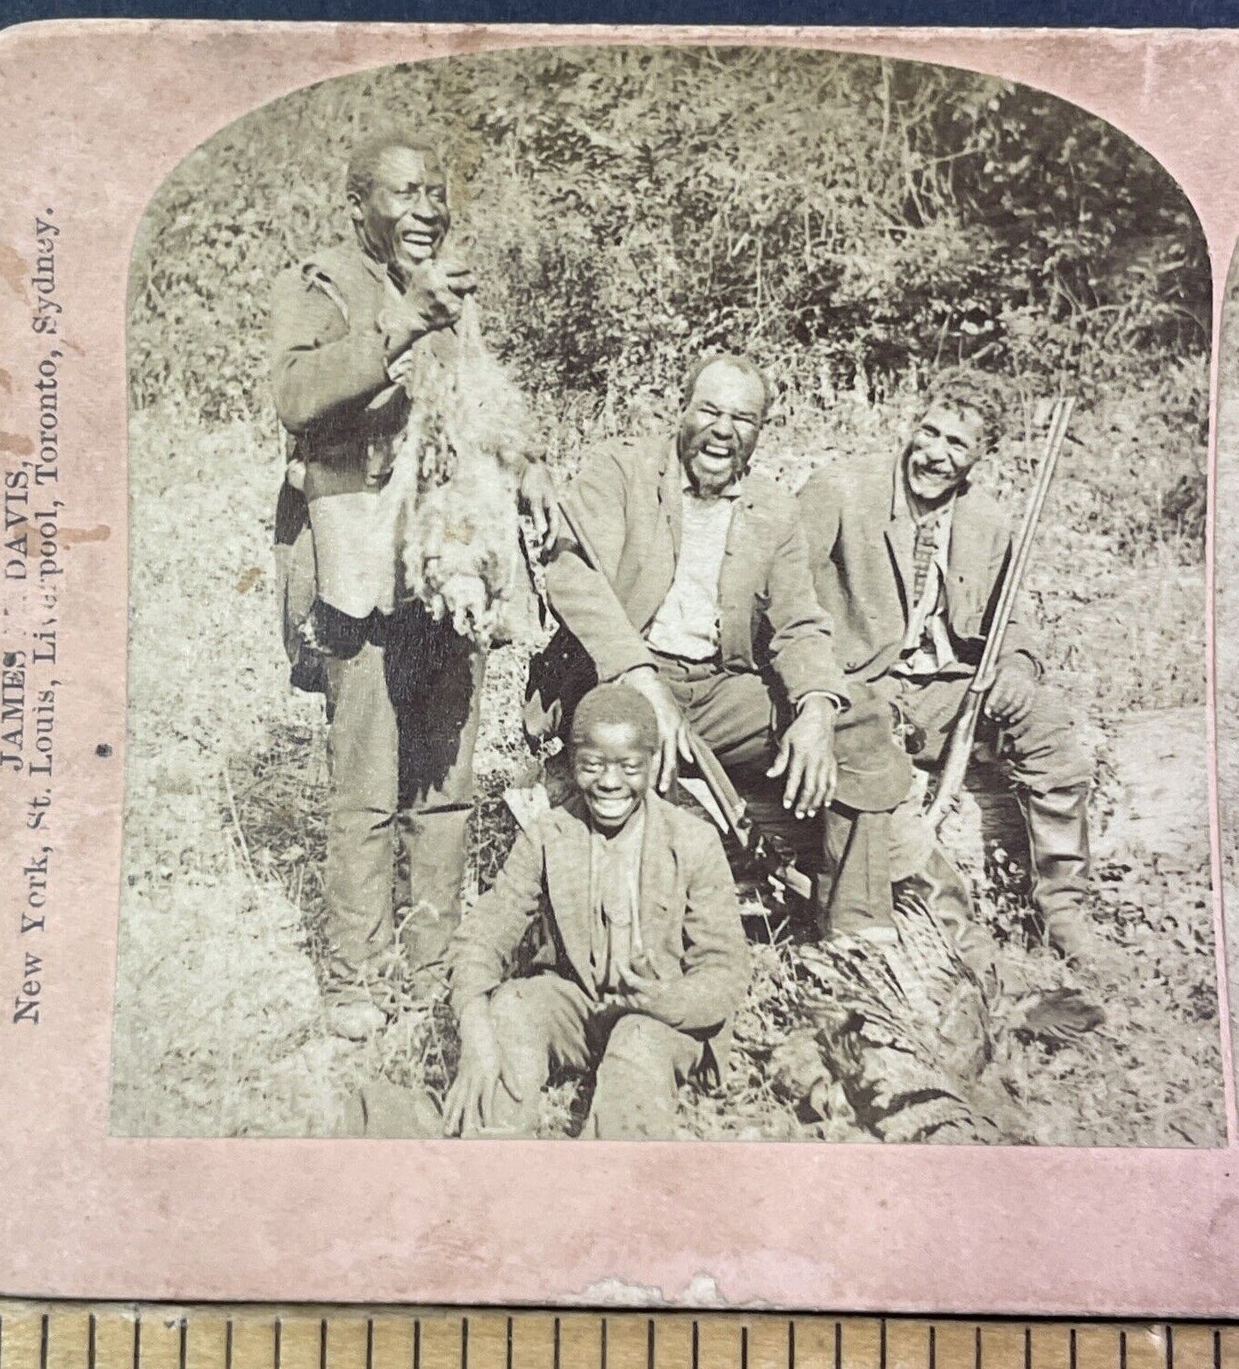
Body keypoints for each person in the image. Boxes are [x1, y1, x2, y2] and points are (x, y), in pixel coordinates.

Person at [268, 131, 555, 1039]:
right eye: (404, 193)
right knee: (365, 779)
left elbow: (479, 403)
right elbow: (296, 397)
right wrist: (403, 322)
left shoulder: (454, 294)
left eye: (436, 191)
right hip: (359, 563)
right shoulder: (319, 284)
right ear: (359, 208)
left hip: (448, 566)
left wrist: (528, 462)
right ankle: (356, 976)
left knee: (445, 775)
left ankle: (430, 963)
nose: (427, 208)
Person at [527, 353, 911, 939]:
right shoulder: (620, 471)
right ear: (681, 412)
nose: (723, 429)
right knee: (626, 759)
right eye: (708, 410)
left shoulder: (773, 510)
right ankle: (609, 931)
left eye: (743, 418)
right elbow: (571, 574)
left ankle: (855, 935)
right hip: (615, 679)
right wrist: (639, 677)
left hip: (717, 688)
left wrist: (814, 709)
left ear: (759, 433)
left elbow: (799, 623)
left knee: (857, 721)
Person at [797, 369, 1099, 964]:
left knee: (1047, 720)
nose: (933, 454)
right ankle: (960, 939)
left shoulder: (985, 521)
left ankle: (1064, 911)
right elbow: (780, 596)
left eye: (957, 444)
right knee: (883, 790)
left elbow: (1011, 618)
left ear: (982, 455)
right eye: (928, 432)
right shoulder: (840, 489)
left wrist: (1015, 667)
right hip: (855, 693)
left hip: (939, 693)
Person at [444, 683, 751, 1139]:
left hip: (660, 1020)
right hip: (580, 1009)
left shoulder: (692, 842)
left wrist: (665, 1000)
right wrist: (476, 1029)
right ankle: (496, 1153)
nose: (610, 783)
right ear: (571, 764)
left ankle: (614, 1181)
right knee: (512, 1005)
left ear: (653, 763)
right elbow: (486, 932)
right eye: (592, 766)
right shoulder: (549, 835)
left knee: (636, 1041)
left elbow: (725, 969)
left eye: (629, 767)